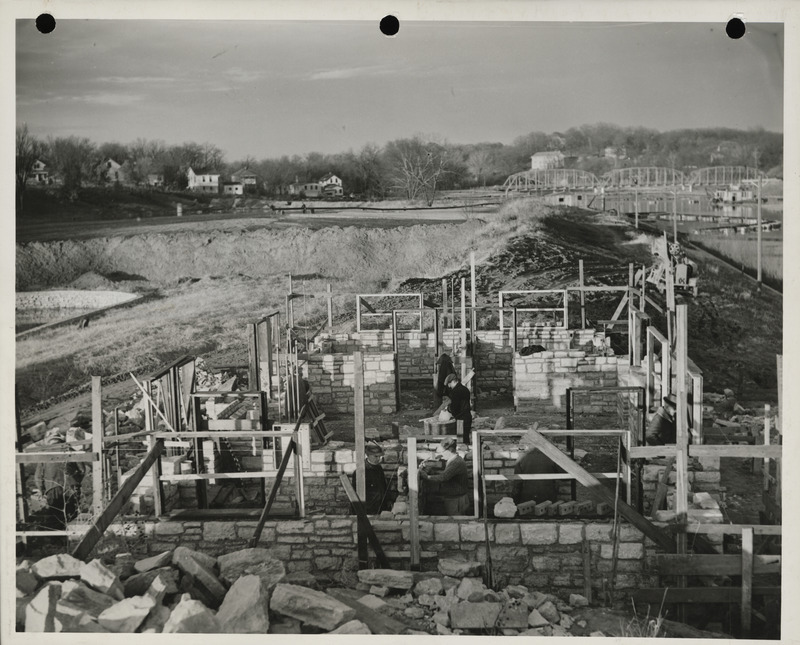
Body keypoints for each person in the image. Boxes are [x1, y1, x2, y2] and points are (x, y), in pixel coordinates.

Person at [33, 430, 85, 530]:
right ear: (61, 441)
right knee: (72, 516)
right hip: (70, 487)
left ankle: (58, 540)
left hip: (52, 489)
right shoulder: (70, 450)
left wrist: (43, 490)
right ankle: (72, 540)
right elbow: (82, 470)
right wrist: (77, 482)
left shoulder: (44, 454)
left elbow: (38, 477)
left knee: (56, 517)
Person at [419, 437, 471, 515]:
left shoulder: (456, 462)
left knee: (455, 523)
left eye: (442, 452)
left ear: (449, 450)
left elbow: (444, 477)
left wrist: (427, 477)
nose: (441, 455)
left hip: (457, 501)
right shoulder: (453, 459)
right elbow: (447, 474)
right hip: (455, 498)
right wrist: (431, 469)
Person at [513, 428, 563, 505]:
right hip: (548, 500)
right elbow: (565, 477)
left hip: (527, 500)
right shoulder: (552, 455)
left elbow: (517, 484)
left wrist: (515, 503)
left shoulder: (521, 457)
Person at [351, 442, 392, 514]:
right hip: (368, 509)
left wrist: (387, 500)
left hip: (380, 507)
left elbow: (383, 486)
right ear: (368, 455)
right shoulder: (360, 472)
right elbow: (356, 495)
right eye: (375, 456)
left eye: (379, 457)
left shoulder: (378, 468)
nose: (378, 459)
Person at [444, 373, 472, 445]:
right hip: (467, 416)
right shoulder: (465, 389)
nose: (449, 386)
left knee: (460, 441)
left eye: (449, 384)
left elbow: (455, 408)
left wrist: (448, 409)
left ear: (453, 381)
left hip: (460, 419)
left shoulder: (455, 392)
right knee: (466, 439)